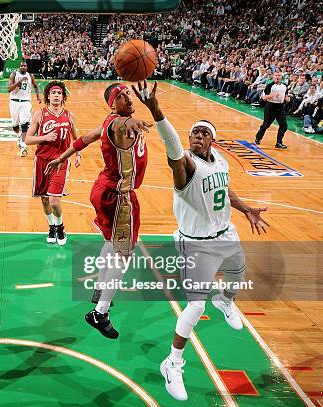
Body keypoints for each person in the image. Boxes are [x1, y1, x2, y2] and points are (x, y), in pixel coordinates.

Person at [132, 80, 270, 401]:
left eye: (203, 133)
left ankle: (225, 301)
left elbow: (224, 189)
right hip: (195, 243)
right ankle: (173, 361)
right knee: (195, 304)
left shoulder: (219, 161)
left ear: (212, 140)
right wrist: (155, 108)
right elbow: (173, 148)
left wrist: (246, 208)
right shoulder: (186, 168)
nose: (197, 136)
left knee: (237, 273)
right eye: (193, 133)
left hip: (226, 233)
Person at [45, 83, 151, 338]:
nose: (128, 98)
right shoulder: (118, 124)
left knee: (110, 241)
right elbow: (120, 127)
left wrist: (62, 158)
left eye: (128, 93)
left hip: (105, 189)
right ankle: (99, 312)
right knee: (124, 253)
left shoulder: (108, 122)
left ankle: (100, 288)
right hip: (118, 195)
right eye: (122, 96)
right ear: (112, 104)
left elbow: (84, 139)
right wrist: (131, 122)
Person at [24, 81, 80, 245]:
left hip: (60, 161)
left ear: (63, 97)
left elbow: (76, 138)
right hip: (41, 161)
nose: (56, 95)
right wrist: (45, 138)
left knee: (55, 200)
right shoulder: (39, 114)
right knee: (45, 200)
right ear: (48, 96)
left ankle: (60, 226)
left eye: (59, 93)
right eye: (53, 93)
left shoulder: (69, 115)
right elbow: (27, 139)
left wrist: (77, 153)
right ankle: (51, 227)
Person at [7, 60, 41, 157]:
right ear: (19, 67)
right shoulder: (14, 74)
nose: (23, 67)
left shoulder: (31, 76)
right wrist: (19, 82)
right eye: (21, 65)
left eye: (24, 65)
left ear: (27, 67)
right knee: (15, 125)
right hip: (14, 102)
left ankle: (23, 147)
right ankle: (18, 136)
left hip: (26, 102)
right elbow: (8, 89)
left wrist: (38, 97)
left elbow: (35, 86)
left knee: (25, 124)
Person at [254, 71, 291, 149]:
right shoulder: (270, 86)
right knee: (266, 125)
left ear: (281, 77)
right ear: (274, 77)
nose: (277, 77)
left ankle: (279, 143)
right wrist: (272, 95)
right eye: (276, 75)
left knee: (283, 125)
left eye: (279, 75)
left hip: (280, 107)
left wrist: (287, 99)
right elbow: (263, 97)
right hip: (270, 106)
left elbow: (286, 95)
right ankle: (258, 137)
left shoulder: (284, 86)